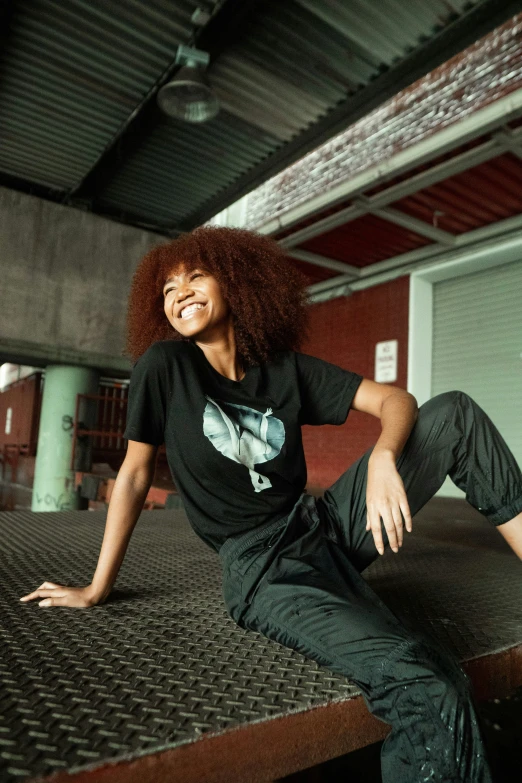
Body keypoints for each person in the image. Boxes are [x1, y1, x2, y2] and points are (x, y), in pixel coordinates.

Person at [20, 226, 522, 782]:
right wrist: (97, 585)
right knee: (427, 683)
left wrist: (383, 455)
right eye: (167, 288)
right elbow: (135, 474)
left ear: (236, 282)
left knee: (453, 412)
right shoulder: (166, 367)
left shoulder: (283, 368)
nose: (180, 292)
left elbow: (396, 399)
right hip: (264, 566)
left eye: (195, 276)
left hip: (323, 525)